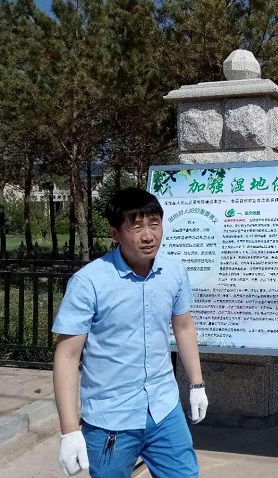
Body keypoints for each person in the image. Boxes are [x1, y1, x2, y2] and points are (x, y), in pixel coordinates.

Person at [52, 188, 208, 477]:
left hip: (164, 409)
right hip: (110, 418)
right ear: (115, 233)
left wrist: (196, 385)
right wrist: (69, 431)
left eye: (154, 224)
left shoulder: (174, 272)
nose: (148, 236)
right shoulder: (89, 282)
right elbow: (67, 356)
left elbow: (184, 327)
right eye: (136, 227)